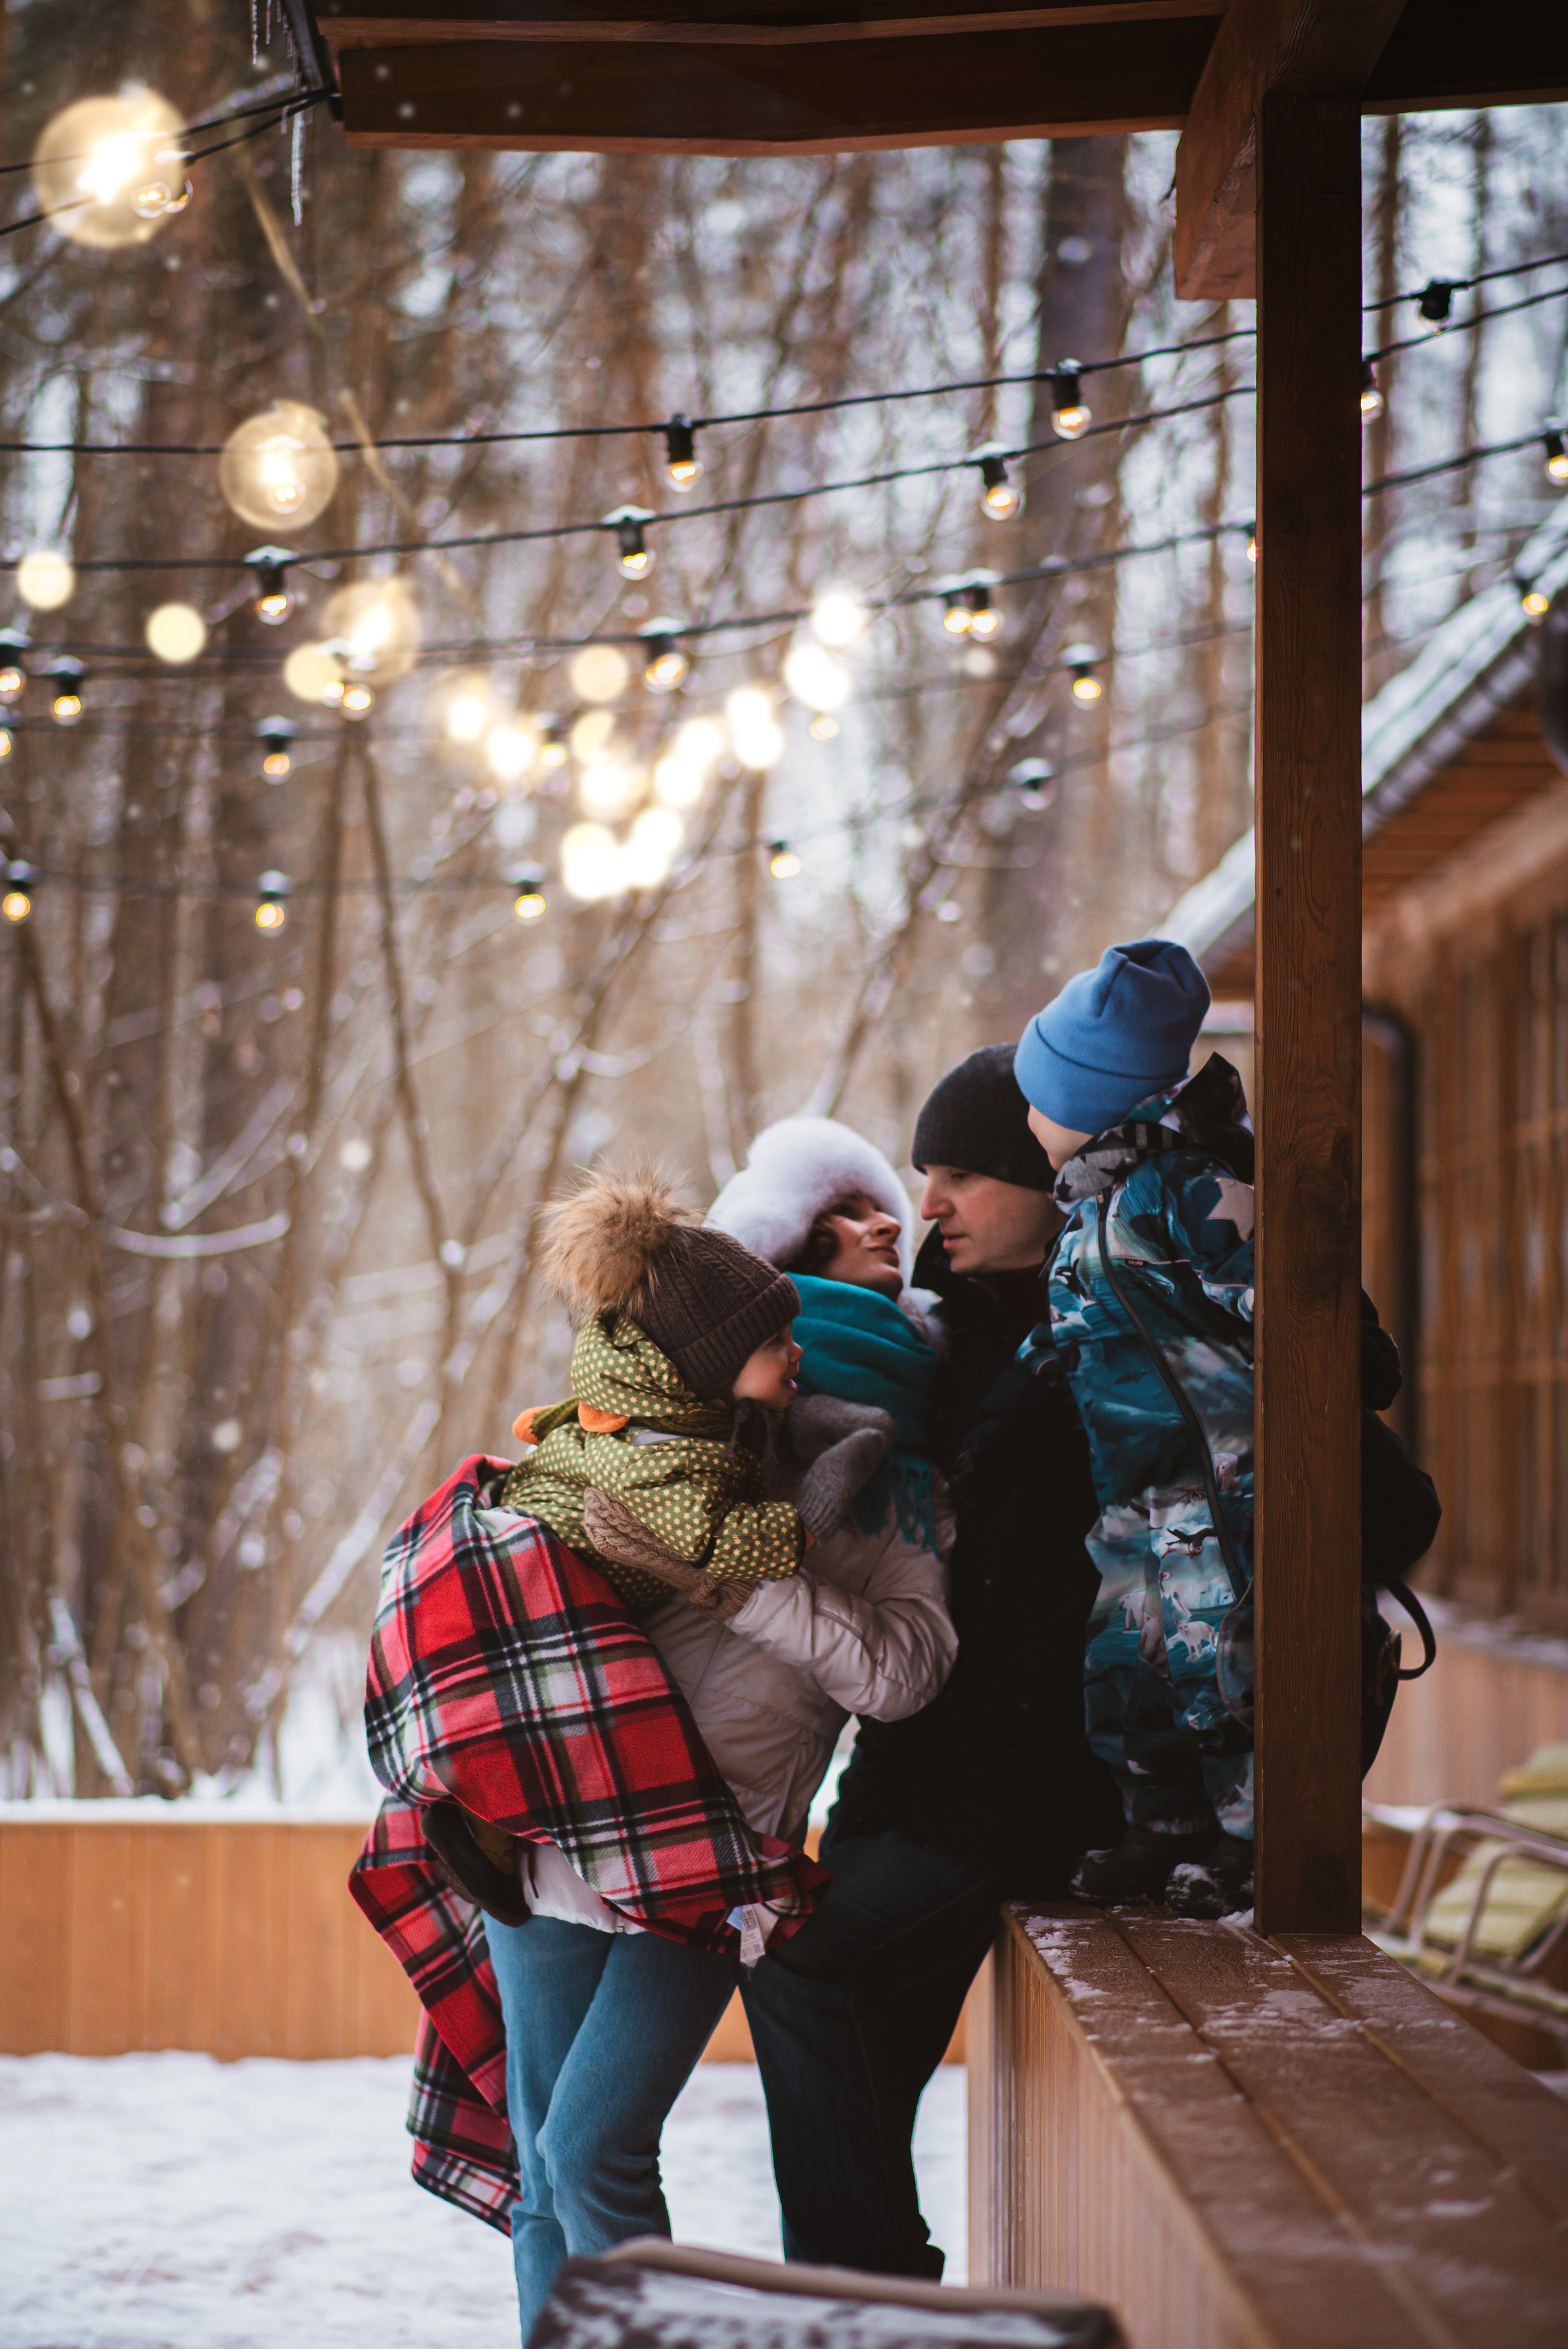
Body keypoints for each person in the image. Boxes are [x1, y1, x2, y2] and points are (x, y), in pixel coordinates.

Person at [480, 1163, 956, 2337]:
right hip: (553, 1828)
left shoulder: (896, 1498)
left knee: (589, 2145)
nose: (800, 1357)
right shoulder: (687, 1451)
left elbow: (904, 1676)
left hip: (710, 1857)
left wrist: (738, 1588)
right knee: (543, 2174)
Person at [710, 1088, 1121, 2279]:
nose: (924, 1204)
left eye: (961, 1174)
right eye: (918, 1172)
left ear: (1047, 1182)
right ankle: (857, 2288)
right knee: (850, 2035)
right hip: (930, 1764)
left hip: (1040, 1776)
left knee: (800, 1967)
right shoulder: (944, 1336)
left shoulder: (1101, 1335)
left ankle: (869, 2298)